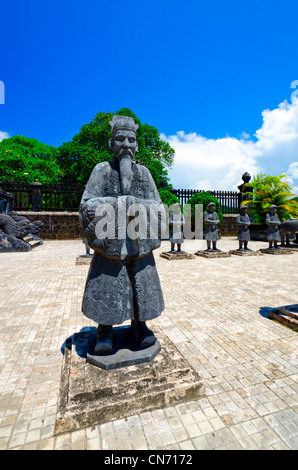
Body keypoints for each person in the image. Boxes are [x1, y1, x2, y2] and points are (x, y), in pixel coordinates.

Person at [79, 116, 165, 353]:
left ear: (137, 145)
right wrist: (119, 204)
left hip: (139, 245)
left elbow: (158, 207)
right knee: (108, 284)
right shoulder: (102, 171)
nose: (126, 144)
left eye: (131, 139)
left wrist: (135, 205)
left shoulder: (144, 173)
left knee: (141, 285)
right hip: (111, 247)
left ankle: (140, 326)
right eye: (120, 139)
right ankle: (104, 330)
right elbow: (87, 204)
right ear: (111, 143)